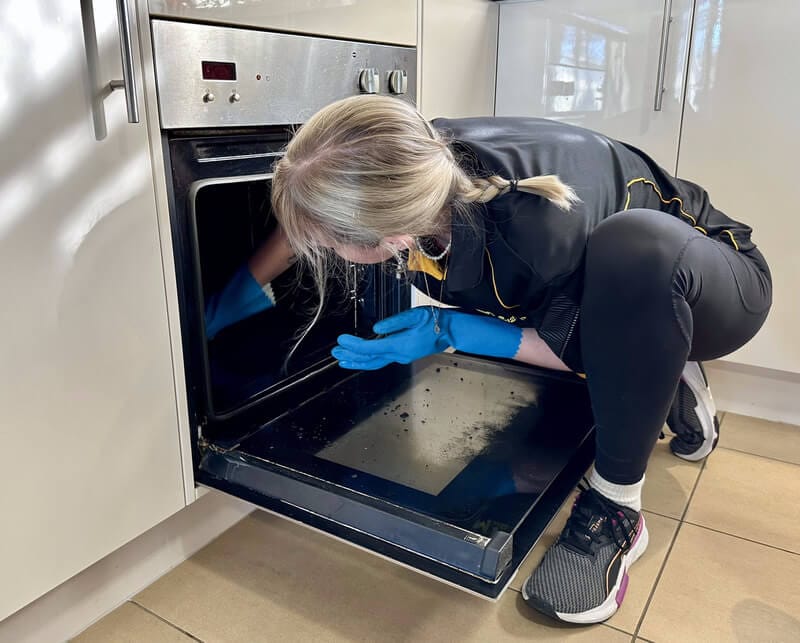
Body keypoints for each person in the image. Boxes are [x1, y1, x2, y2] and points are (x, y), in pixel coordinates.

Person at [205, 95, 772, 624]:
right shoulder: (407, 166)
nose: (324, 253)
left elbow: (579, 356)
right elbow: (316, 197)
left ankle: (618, 508)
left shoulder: (534, 233)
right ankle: (660, 362)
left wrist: (451, 329)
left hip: (714, 281)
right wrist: (238, 292)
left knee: (636, 251)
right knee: (585, 374)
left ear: (394, 234)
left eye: (331, 244)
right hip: (616, 298)